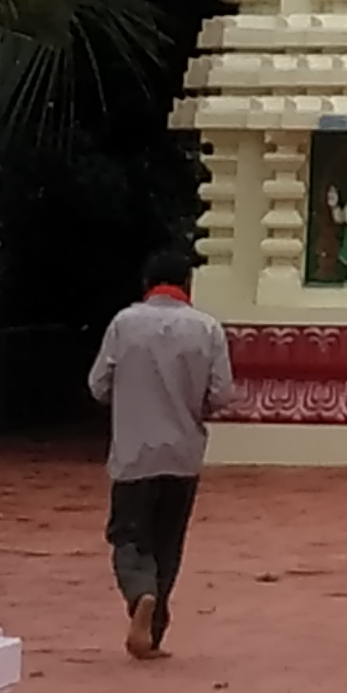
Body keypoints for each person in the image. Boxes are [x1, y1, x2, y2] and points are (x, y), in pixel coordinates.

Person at [86, 247, 232, 658]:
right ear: (187, 284)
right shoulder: (207, 328)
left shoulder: (124, 323)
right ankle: (154, 630)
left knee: (129, 537)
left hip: (134, 454)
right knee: (168, 543)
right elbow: (222, 393)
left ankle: (140, 594)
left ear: (147, 284)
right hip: (184, 454)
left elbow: (98, 385)